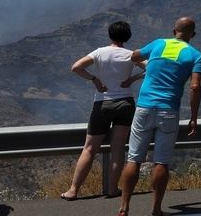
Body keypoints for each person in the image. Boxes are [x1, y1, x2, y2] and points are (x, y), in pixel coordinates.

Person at [118, 16, 201, 216]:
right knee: (162, 162)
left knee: (133, 159)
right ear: (193, 35)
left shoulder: (158, 44)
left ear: (174, 31)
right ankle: (156, 209)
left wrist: (151, 63)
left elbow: (134, 56)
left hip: (144, 108)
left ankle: (124, 208)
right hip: (169, 111)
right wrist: (193, 116)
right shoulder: (195, 55)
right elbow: (195, 86)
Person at [61, 20, 144, 200]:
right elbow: (152, 68)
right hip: (125, 103)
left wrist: (94, 79)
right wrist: (132, 79)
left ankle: (73, 190)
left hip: (102, 103)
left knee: (89, 148)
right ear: (127, 37)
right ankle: (113, 189)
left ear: (109, 35)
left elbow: (76, 67)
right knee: (118, 148)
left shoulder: (99, 52)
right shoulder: (131, 55)